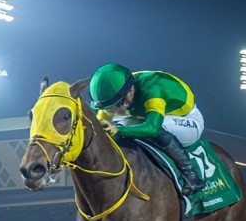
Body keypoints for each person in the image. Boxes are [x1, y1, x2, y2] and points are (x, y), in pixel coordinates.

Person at [88, 64, 206, 195]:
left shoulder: (153, 88)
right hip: (147, 115)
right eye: (109, 107)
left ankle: (191, 176)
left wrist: (118, 130)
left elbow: (152, 128)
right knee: (121, 123)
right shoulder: (121, 89)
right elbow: (100, 126)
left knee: (157, 128)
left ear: (130, 91)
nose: (114, 111)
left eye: (117, 105)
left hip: (187, 119)